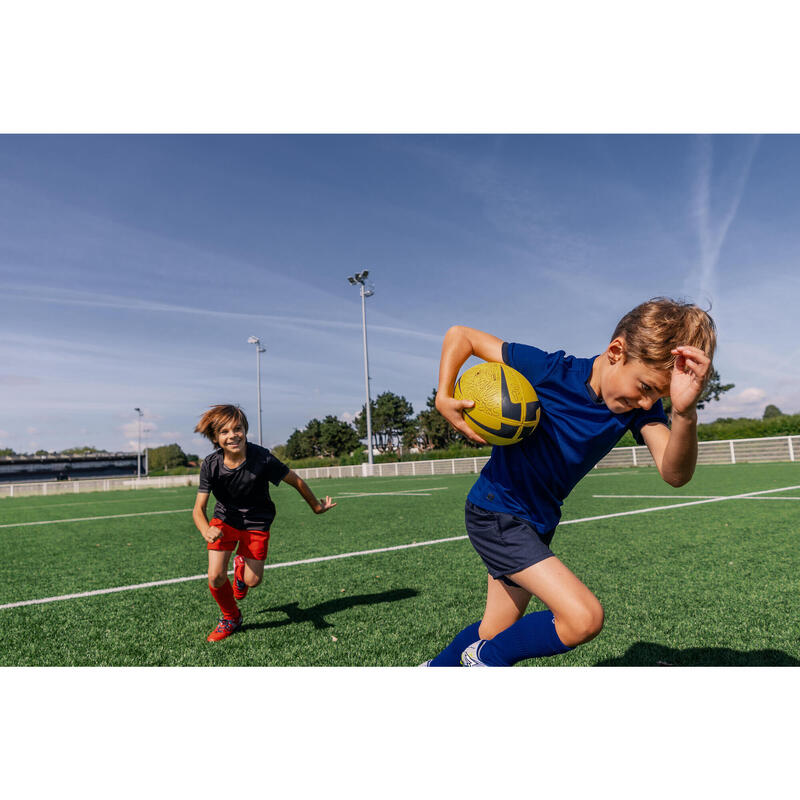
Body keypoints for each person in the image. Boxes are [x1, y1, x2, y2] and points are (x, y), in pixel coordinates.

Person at [423, 297, 715, 666]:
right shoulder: (550, 371)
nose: (646, 403)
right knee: (583, 618)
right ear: (615, 351)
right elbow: (461, 336)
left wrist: (684, 412)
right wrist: (444, 395)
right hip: (497, 512)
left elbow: (675, 474)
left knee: (493, 630)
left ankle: (437, 669)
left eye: (658, 395)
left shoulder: (638, 410)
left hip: (537, 522)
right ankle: (484, 664)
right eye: (644, 387)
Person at [192, 404, 336, 642]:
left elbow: (295, 480)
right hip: (224, 519)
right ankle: (231, 617)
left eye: (237, 429)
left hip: (257, 521)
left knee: (252, 581)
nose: (232, 435)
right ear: (216, 438)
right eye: (225, 432)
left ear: (245, 430)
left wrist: (317, 507)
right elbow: (198, 508)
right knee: (215, 576)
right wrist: (206, 528)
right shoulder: (210, 464)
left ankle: (241, 569)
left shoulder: (263, 458)